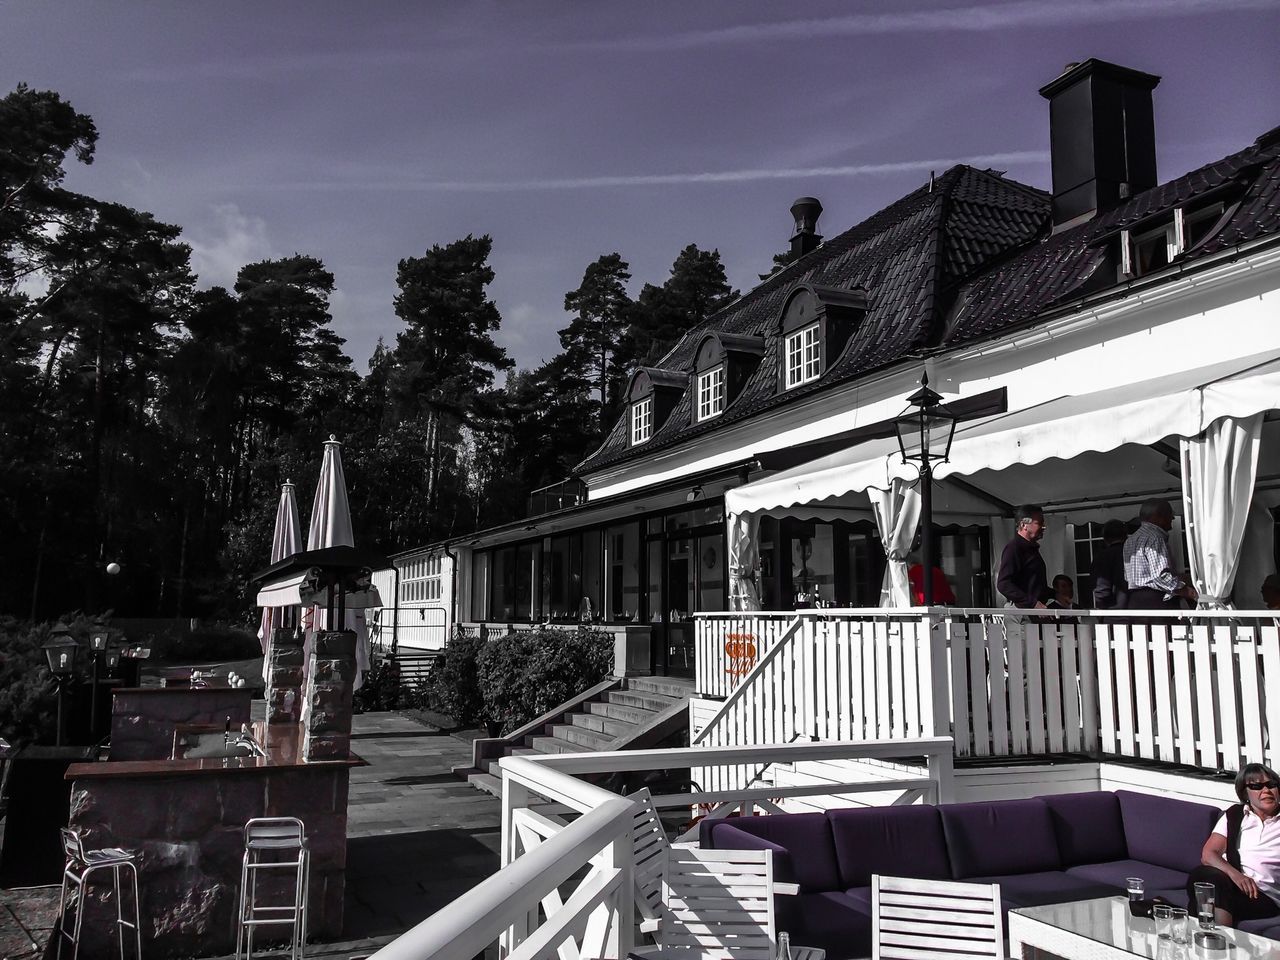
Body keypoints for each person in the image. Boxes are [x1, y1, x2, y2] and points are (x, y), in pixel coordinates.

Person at [1186, 763, 1280, 928]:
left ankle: (1215, 938)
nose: (1266, 790)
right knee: (1204, 875)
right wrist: (1237, 875)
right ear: (1245, 793)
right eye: (1257, 786)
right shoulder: (1235, 815)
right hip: (1231, 884)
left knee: (1204, 899)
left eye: (1271, 785)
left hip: (1264, 897)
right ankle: (1217, 938)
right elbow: (1209, 854)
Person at [1122, 498, 1197, 609]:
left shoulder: (1131, 539)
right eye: (1169, 514)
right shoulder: (1155, 537)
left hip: (1135, 601)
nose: (1172, 518)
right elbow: (1161, 577)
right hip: (1155, 601)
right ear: (1157, 516)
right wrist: (1187, 591)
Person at [997, 505, 1050, 609]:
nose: (1043, 527)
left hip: (1033, 612)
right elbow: (1004, 584)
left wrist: (1056, 594)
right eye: (1039, 523)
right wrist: (1032, 603)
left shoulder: (1031, 549)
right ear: (1024, 525)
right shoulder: (1014, 548)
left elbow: (1033, 584)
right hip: (1022, 613)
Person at [1090, 519, 1129, 609]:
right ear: (1125, 535)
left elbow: (1100, 586)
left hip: (1112, 609)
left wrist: (1102, 607)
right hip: (1136, 608)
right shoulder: (1133, 553)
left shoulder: (1102, 556)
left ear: (1105, 538)